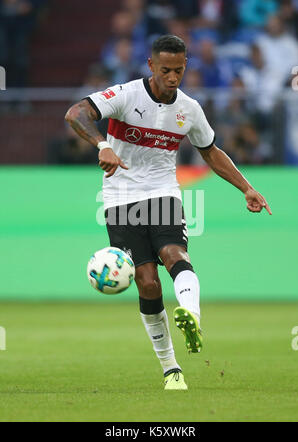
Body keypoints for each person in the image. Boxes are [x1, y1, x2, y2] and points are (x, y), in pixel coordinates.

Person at [65, 35, 272, 390]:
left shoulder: (189, 109)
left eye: (178, 70)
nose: (172, 77)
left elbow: (210, 151)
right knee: (147, 282)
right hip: (119, 199)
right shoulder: (127, 95)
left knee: (175, 253)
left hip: (163, 193)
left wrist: (246, 187)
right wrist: (101, 144)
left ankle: (191, 316)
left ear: (186, 66)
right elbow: (76, 113)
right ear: (151, 66)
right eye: (165, 70)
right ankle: (171, 370)